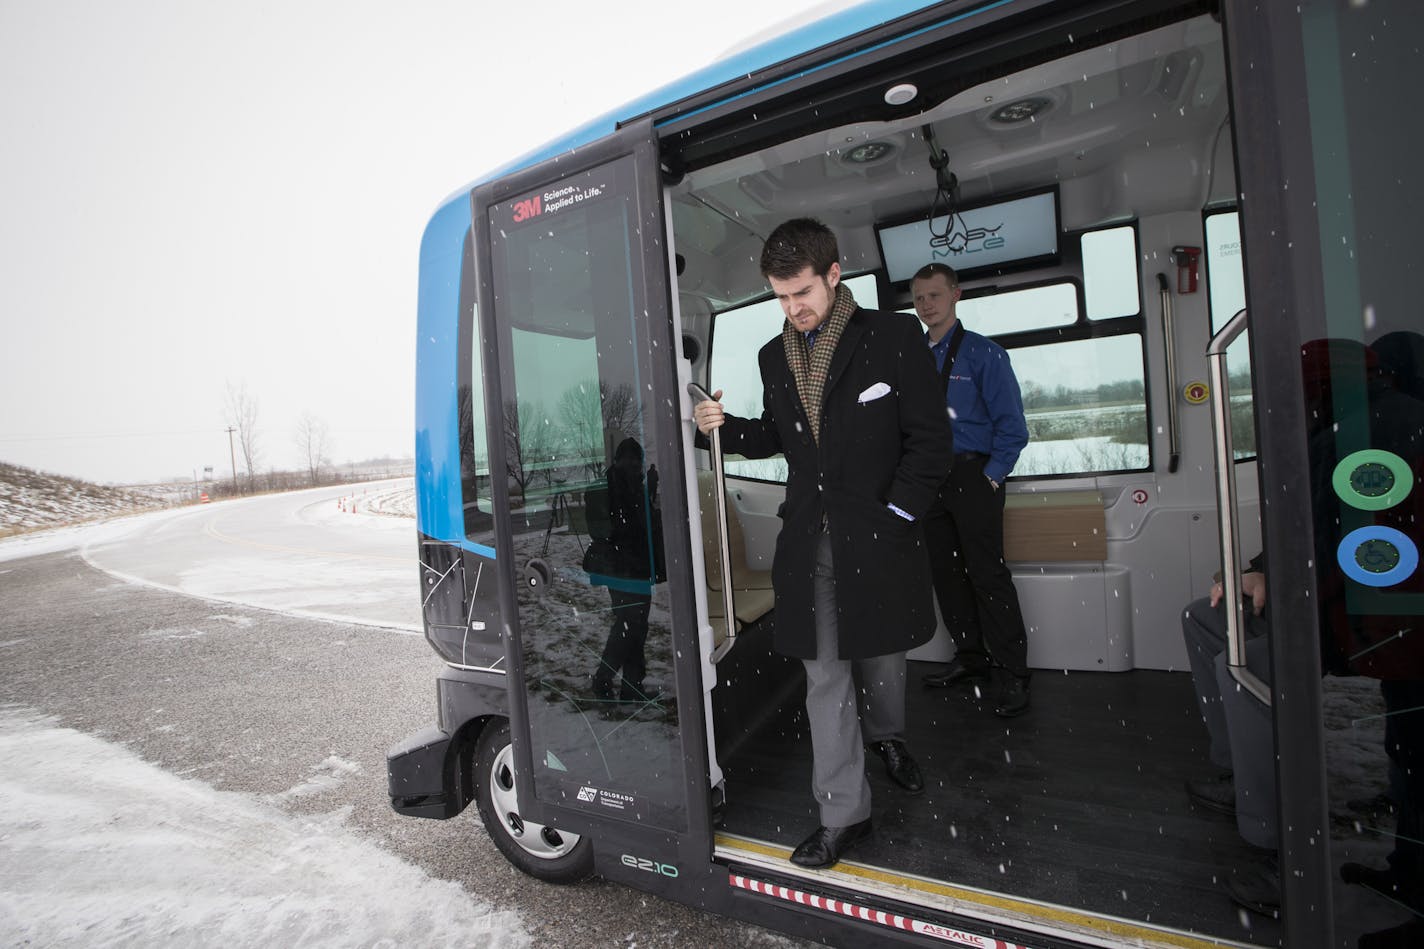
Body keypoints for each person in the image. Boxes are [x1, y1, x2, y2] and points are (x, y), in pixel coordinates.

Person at [693, 218, 952, 869]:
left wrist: (895, 517)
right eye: (780, 297)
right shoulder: (772, 356)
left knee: (884, 661)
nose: (792, 308)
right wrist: (718, 428)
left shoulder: (893, 337)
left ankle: (889, 738)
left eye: (801, 292)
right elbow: (779, 436)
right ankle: (844, 812)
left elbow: (930, 444)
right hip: (810, 544)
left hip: (881, 537)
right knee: (825, 678)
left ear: (834, 275)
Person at [911, 263, 1033, 717]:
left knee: (987, 575)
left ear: (955, 295)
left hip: (972, 476)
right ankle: (971, 660)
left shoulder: (986, 355)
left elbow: (1012, 429)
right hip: (929, 480)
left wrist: (990, 477)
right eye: (919, 298)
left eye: (934, 296)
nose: (926, 305)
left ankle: (1014, 673)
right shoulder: (913, 358)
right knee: (946, 575)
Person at [586, 437, 664, 704]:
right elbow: (603, 530)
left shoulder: (635, 488)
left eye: (636, 458)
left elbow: (645, 526)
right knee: (628, 626)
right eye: (627, 458)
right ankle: (603, 681)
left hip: (636, 567)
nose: (632, 463)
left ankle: (631, 686)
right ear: (617, 460)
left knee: (635, 626)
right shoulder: (607, 487)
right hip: (621, 569)